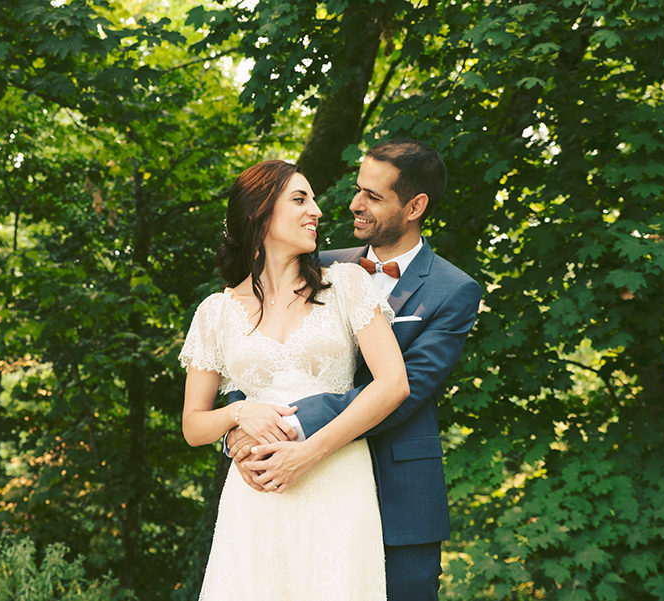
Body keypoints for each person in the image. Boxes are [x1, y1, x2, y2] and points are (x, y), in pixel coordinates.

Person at [227, 139, 482, 600]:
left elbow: (408, 389)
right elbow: (248, 349)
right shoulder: (318, 265)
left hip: (398, 494)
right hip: (303, 487)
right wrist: (240, 426)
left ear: (415, 206)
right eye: (357, 189)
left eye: (374, 196)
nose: (353, 205)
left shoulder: (453, 290)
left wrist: (290, 422)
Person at [180, 159, 409, 600]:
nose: (317, 211)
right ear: (259, 214)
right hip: (256, 495)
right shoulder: (215, 312)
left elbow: (394, 383)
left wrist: (306, 454)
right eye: (300, 199)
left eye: (315, 200)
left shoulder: (345, 285)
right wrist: (238, 411)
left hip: (337, 482)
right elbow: (194, 426)